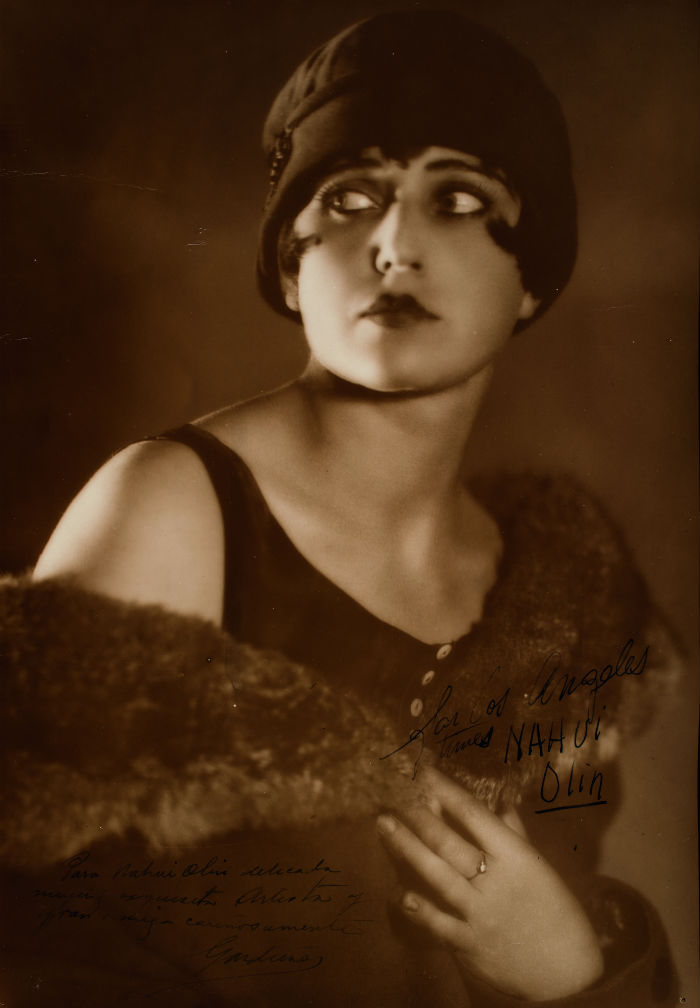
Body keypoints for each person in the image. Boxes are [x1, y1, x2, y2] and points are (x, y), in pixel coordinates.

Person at [0, 10, 678, 1006]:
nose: (393, 245)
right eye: (349, 198)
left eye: (458, 199)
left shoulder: (565, 600)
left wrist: (572, 972)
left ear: (532, 278)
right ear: (290, 262)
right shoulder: (173, 512)